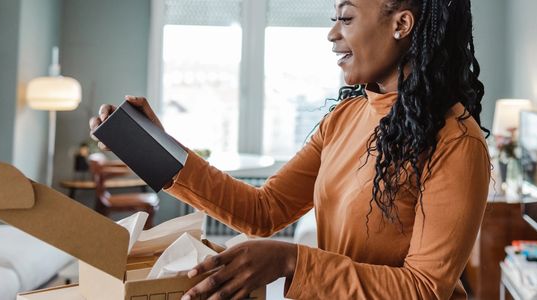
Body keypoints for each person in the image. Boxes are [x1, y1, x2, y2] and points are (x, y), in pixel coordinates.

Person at [90, 0, 491, 299]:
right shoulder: (344, 119)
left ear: (402, 23)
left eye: (346, 18)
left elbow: (423, 288)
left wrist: (291, 260)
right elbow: (263, 211)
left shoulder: (456, 143)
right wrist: (154, 148)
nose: (332, 34)